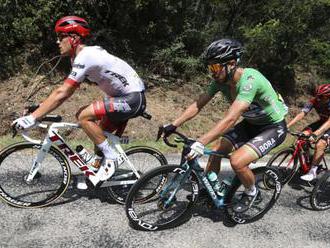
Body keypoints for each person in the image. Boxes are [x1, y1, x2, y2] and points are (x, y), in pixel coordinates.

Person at [12, 16, 146, 189]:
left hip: (133, 99)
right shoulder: (78, 58)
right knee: (98, 133)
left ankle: (111, 159)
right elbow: (64, 91)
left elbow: (63, 92)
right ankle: (99, 165)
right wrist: (41, 108)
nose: (57, 42)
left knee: (83, 117)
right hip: (125, 99)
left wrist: (33, 117)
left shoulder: (86, 56)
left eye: (61, 37)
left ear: (74, 38)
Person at [162, 39, 288, 213]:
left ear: (231, 64)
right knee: (216, 152)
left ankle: (252, 192)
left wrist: (200, 142)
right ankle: (209, 191)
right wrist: (173, 124)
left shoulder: (250, 80)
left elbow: (230, 119)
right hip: (250, 124)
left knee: (237, 162)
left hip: (273, 128)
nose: (211, 73)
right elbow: (198, 104)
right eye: (209, 68)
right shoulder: (221, 81)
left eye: (215, 67)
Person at [287, 84, 330, 181]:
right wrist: (287, 125)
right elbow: (302, 113)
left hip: (328, 123)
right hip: (322, 122)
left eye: (321, 97)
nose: (318, 98)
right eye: (317, 95)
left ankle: (312, 172)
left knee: (320, 144)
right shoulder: (314, 100)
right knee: (302, 136)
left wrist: (315, 134)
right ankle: (309, 161)